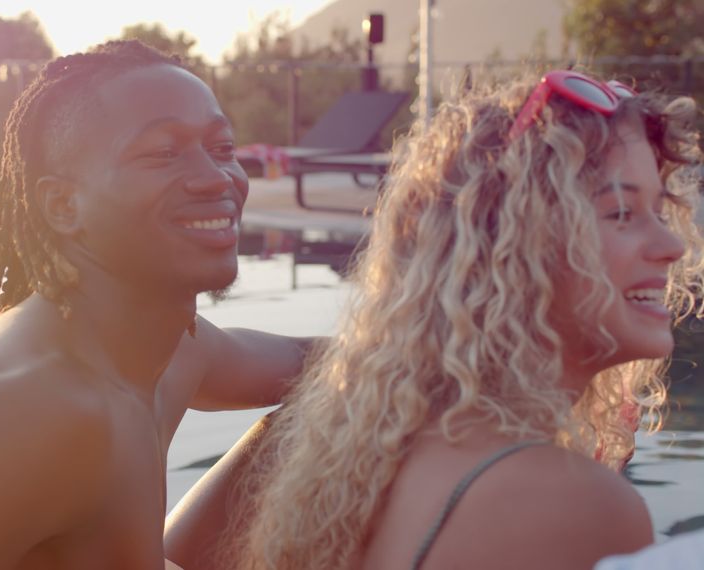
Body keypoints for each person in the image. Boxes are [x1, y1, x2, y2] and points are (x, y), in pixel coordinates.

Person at [165, 70, 703, 569]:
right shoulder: (577, 504)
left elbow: (179, 552)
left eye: (659, 211)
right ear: (511, 250)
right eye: (623, 214)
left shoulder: (342, 434)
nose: (671, 244)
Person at [0, 40, 315, 569]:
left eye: (222, 148)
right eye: (163, 153)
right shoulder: (31, 409)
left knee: (341, 412)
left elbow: (336, 366)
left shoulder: (172, 350)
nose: (217, 178)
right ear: (62, 205)